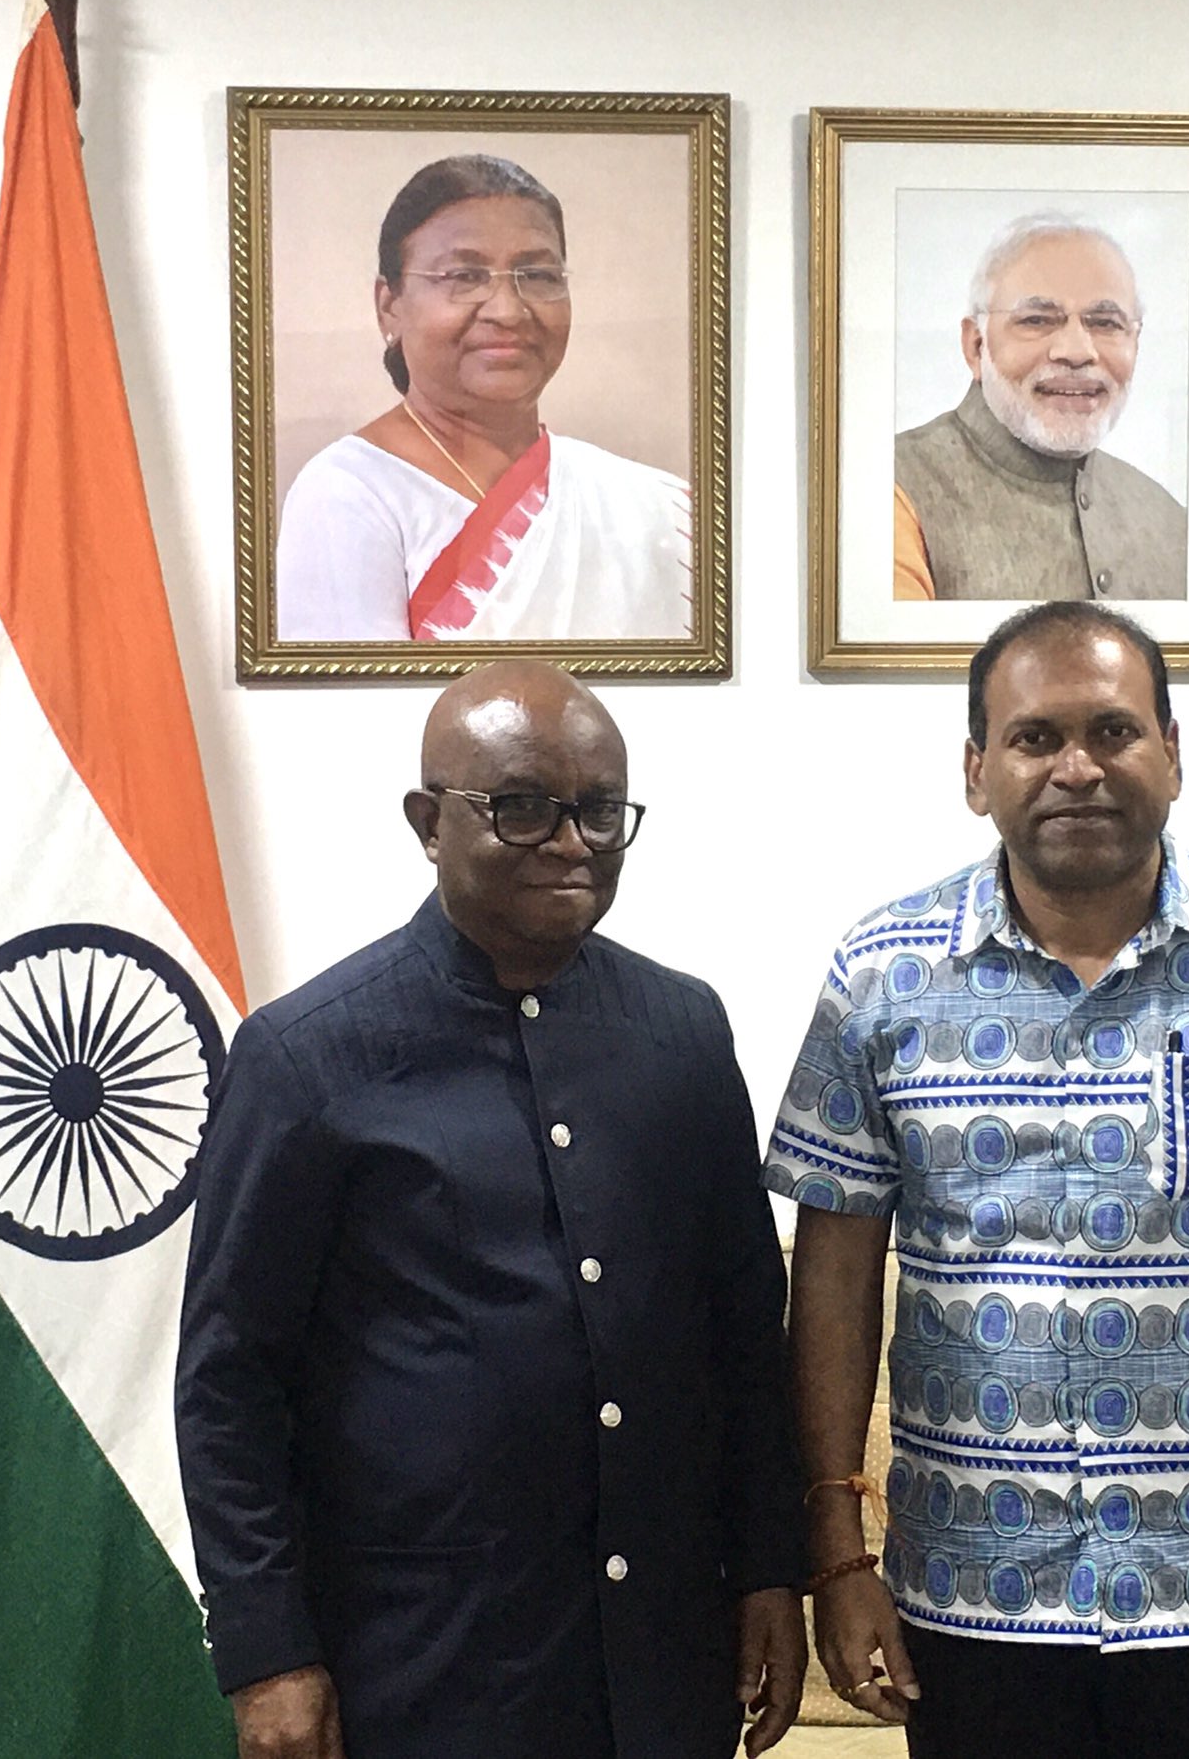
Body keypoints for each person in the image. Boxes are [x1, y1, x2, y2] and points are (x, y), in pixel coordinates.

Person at [770, 602, 1189, 1759]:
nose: (1076, 768)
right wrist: (838, 1558)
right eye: (1034, 738)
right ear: (975, 770)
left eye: (1112, 731)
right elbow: (834, 1278)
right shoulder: (879, 974)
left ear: (1171, 755)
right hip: (975, 1596)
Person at [175, 662, 805, 1759]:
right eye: (520, 808)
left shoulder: (683, 1035)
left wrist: (767, 1570)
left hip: (659, 1656)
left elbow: (745, 1334)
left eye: (600, 811)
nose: (569, 842)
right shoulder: (304, 1059)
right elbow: (230, 1382)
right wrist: (267, 1650)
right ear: (428, 824)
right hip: (424, 1659)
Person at [275, 154, 694, 643]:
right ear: (390, 307)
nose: (508, 311)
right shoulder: (350, 492)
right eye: (464, 277)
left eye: (537, 276)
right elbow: (358, 693)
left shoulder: (655, 506)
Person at [894, 216, 1189, 604]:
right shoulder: (893, 487)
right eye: (1036, 320)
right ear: (976, 346)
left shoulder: (1168, 519)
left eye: (1105, 323)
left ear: (1136, 343)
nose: (1077, 351)